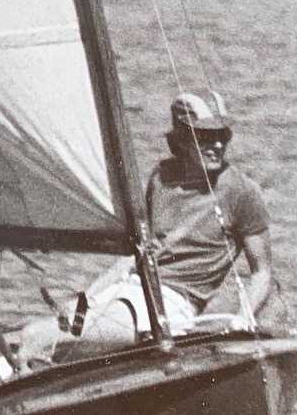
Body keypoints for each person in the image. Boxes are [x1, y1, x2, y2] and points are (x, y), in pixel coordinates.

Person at [16, 90, 275, 367]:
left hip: (172, 302)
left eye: (222, 135)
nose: (217, 145)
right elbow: (136, 255)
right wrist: (86, 298)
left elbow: (262, 272)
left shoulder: (242, 192)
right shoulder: (162, 177)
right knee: (37, 335)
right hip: (131, 288)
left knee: (38, 338)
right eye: (205, 137)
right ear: (183, 139)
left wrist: (242, 319)